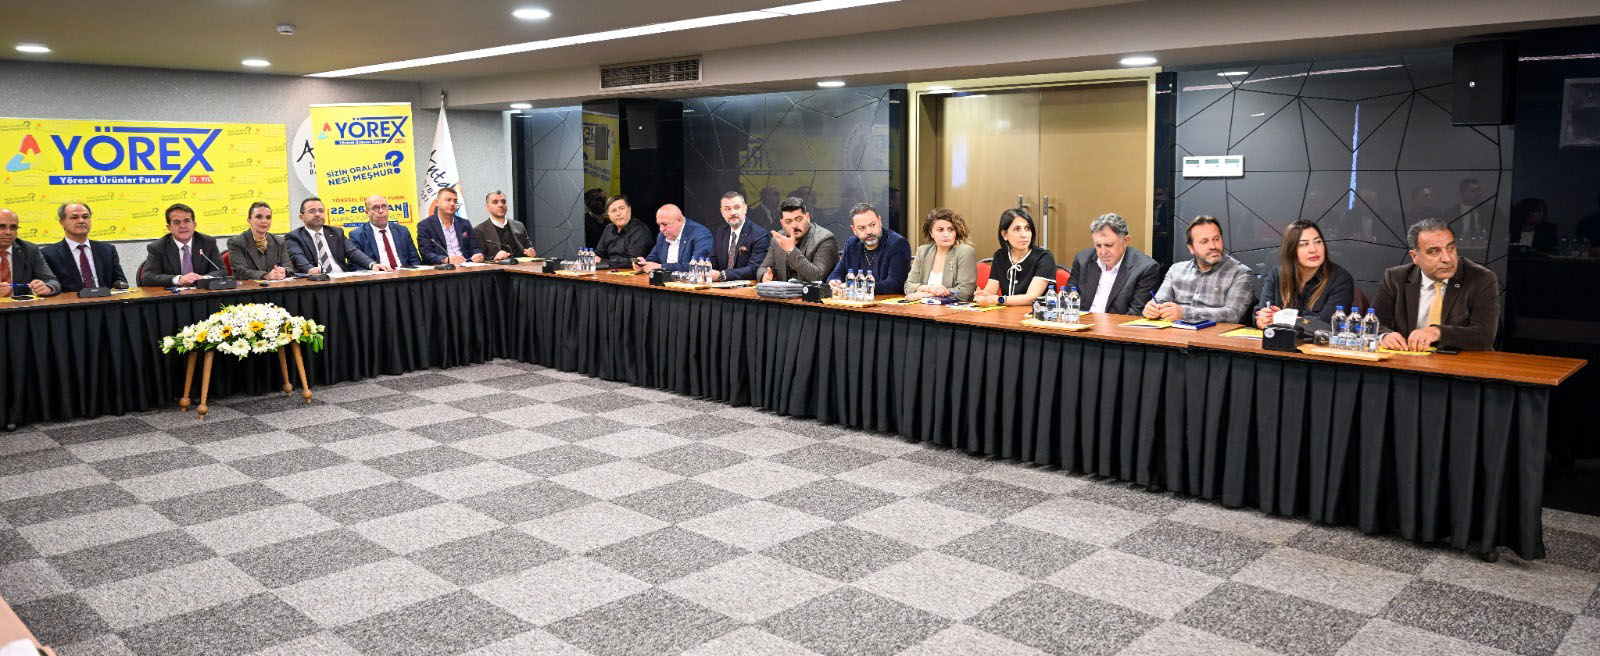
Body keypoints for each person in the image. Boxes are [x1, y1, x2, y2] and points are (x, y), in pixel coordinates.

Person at [1375, 218, 1500, 351]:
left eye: (1450, 248)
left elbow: (1484, 335)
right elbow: (1375, 322)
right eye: (1434, 251)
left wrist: (1438, 332)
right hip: (1409, 359)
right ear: (1414, 256)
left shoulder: (1481, 278)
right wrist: (1384, 336)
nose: (1447, 258)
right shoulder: (1395, 278)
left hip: (1461, 360)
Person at [1145, 215, 1254, 323]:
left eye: (1216, 239)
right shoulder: (1176, 270)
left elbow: (1233, 315)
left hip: (1214, 333)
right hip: (1174, 332)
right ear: (1191, 248)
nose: (1213, 246)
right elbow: (1159, 301)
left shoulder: (1240, 273)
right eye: (1204, 241)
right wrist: (1152, 309)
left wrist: (1184, 313)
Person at [1251, 220, 1355, 329]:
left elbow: (1328, 325)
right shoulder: (1277, 274)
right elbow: (1259, 312)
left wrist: (1283, 319)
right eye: (1304, 244)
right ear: (1291, 250)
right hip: (1279, 339)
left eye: (1318, 242)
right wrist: (1262, 320)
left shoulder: (1341, 279)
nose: (1313, 249)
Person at [1069, 212, 1161, 315]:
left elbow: (1135, 313)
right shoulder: (1082, 259)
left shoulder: (1145, 268)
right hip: (1081, 322)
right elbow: (1067, 299)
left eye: (1109, 245)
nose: (1103, 252)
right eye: (1098, 246)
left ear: (1125, 241)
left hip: (1118, 324)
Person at [974, 208, 1056, 307]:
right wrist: (983, 295)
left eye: (1027, 228)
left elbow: (1032, 298)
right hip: (1006, 313)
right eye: (1017, 229)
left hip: (1034, 313)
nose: (1024, 235)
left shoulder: (1044, 257)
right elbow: (991, 291)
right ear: (1004, 234)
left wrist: (998, 299)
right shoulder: (1000, 256)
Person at [286, 197, 387, 275]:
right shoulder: (294, 237)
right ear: (301, 217)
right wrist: (309, 269)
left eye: (321, 211)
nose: (317, 214)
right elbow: (297, 256)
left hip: (342, 278)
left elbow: (352, 252)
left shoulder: (336, 232)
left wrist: (372, 265)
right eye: (312, 211)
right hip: (316, 281)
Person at [827, 202, 911, 295]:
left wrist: (857, 287)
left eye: (872, 225)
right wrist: (834, 281)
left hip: (886, 301)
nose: (869, 232)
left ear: (880, 221)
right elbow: (837, 273)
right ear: (854, 230)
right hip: (856, 301)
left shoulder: (897, 244)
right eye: (862, 228)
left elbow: (895, 284)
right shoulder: (851, 244)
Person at [42, 202, 125, 292]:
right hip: (70, 300)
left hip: (105, 299)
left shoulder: (107, 250)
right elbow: (49, 286)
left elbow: (119, 281)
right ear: (62, 223)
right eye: (74, 217)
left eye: (85, 217)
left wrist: (120, 285)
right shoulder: (48, 254)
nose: (81, 221)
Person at [139, 203, 224, 287]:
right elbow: (147, 278)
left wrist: (203, 279)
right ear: (169, 227)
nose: (182, 226)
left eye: (186, 221)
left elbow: (221, 271)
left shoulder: (208, 242)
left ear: (194, 225)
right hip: (173, 294)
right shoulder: (158, 247)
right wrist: (179, 279)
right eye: (176, 222)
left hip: (203, 293)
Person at [903, 208, 978, 301]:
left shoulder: (965, 252)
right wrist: (930, 288)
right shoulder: (923, 251)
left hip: (953, 308)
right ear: (931, 233)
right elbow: (908, 286)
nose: (946, 234)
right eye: (940, 230)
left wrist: (926, 295)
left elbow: (964, 292)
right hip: (923, 307)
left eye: (951, 229)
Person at [757, 196, 838, 283]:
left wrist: (791, 250)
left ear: (807, 217)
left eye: (799, 219)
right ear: (782, 223)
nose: (794, 225)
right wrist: (765, 276)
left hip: (814, 292)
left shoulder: (825, 239)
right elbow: (763, 268)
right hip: (785, 291)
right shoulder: (779, 239)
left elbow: (818, 277)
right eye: (788, 221)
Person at [349, 195, 424, 269]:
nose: (381, 211)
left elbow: (415, 260)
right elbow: (355, 266)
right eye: (375, 208)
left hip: (404, 274)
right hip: (378, 275)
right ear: (367, 212)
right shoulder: (357, 235)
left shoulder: (402, 231)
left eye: (384, 206)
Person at [709, 191, 770, 282]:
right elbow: (713, 262)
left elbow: (754, 269)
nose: (733, 212)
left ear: (745, 208)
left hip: (746, 287)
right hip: (720, 287)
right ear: (722, 212)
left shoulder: (759, 234)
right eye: (728, 209)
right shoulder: (720, 232)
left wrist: (723, 275)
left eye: (737, 208)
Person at [416, 187, 484, 265]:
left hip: (466, 265)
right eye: (448, 200)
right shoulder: (425, 225)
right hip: (442, 268)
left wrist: (477, 254)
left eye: (455, 201)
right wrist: (445, 260)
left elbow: (474, 247)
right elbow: (426, 253)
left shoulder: (465, 224)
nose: (452, 204)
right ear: (437, 202)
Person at [0, 208, 60, 297]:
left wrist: (46, 288)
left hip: (20, 305)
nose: (8, 232)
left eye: (13, 227)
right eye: (1, 226)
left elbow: (52, 281)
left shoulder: (30, 250)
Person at [635, 204, 712, 272]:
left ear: (679, 220)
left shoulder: (700, 234)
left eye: (665, 224)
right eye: (659, 225)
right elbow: (653, 258)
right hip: (665, 280)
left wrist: (661, 267)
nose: (661, 229)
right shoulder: (662, 236)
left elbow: (697, 266)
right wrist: (643, 264)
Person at [227, 202, 290, 281]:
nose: (264, 221)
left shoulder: (279, 241)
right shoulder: (236, 242)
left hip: (276, 286)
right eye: (259, 217)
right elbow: (240, 271)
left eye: (268, 217)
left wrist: (283, 271)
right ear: (249, 220)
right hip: (249, 287)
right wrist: (266, 276)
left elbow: (289, 267)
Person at [473, 190, 537, 261]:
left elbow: (529, 249)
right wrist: (495, 258)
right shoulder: (479, 230)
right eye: (495, 202)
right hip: (497, 267)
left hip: (522, 266)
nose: (501, 205)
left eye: (503, 202)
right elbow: (480, 258)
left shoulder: (519, 226)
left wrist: (531, 253)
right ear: (487, 207)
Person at [594, 194, 653, 269]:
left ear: (630, 209)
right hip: (610, 271)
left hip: (634, 273)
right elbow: (599, 253)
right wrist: (594, 257)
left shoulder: (640, 230)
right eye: (613, 210)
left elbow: (634, 261)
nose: (618, 213)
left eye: (622, 208)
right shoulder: (608, 228)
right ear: (608, 214)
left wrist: (603, 261)